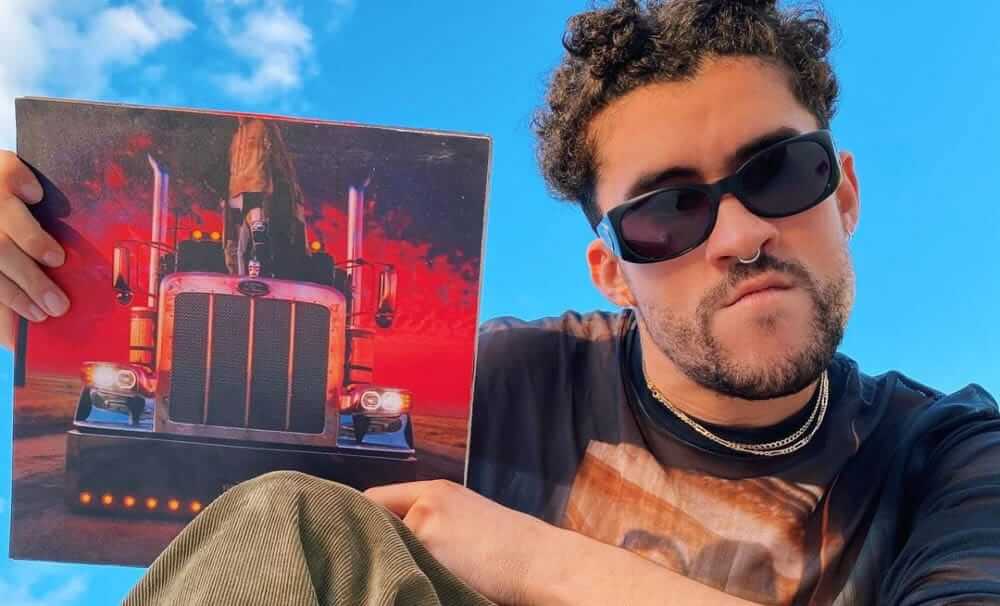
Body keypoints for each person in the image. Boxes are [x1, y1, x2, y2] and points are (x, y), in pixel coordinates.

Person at [1, 1, 998, 604]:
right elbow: (242, 531)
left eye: (778, 173)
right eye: (667, 213)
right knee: (288, 518)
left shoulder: (953, 455)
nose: (739, 235)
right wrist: (47, 298)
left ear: (844, 193)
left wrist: (529, 559)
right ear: (611, 272)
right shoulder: (500, 386)